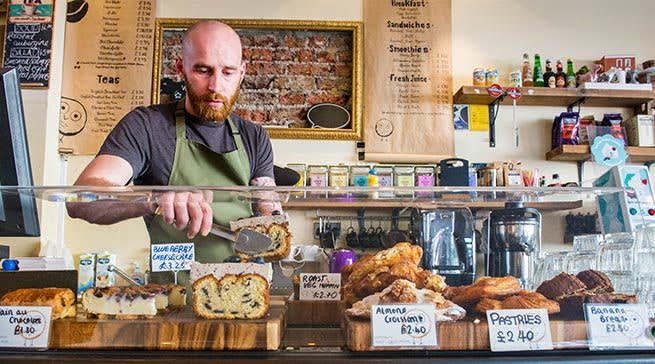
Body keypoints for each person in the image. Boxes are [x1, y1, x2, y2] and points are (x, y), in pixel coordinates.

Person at [69, 20, 278, 283]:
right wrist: (154, 199)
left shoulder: (254, 137)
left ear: (242, 72)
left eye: (228, 72)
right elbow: (79, 199)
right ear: (181, 67)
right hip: (172, 301)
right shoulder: (147, 127)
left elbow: (269, 212)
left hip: (241, 296)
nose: (215, 85)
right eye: (203, 70)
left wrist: (275, 222)